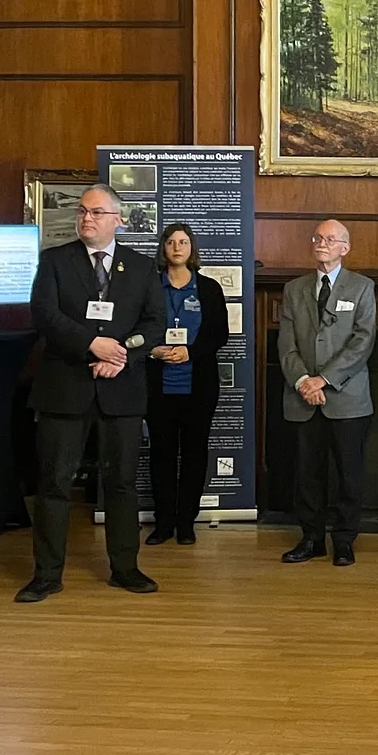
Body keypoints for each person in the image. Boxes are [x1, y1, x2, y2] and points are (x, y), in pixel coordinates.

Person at [16, 183, 165, 603]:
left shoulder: (140, 267)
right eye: (83, 211)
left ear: (118, 220)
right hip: (65, 389)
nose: (87, 218)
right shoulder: (55, 262)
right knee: (55, 483)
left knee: (121, 484)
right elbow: (44, 315)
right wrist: (90, 345)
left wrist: (119, 354)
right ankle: (46, 574)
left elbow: (154, 323)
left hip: (122, 391)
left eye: (97, 213)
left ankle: (126, 568)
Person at [278, 220, 377, 566]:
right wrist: (304, 380)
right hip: (302, 397)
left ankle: (345, 540)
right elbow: (286, 346)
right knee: (307, 473)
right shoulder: (294, 289)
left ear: (344, 249)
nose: (322, 243)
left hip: (347, 398)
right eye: (318, 238)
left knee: (349, 474)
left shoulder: (362, 287)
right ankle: (311, 538)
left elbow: (362, 342)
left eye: (330, 239)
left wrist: (324, 379)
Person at [144, 223, 228, 546]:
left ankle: (186, 523)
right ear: (163, 249)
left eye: (183, 242)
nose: (177, 248)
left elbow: (219, 333)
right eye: (171, 242)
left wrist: (189, 351)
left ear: (192, 248)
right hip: (159, 384)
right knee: (162, 454)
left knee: (194, 453)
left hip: (198, 385)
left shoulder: (209, 289)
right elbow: (138, 326)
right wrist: (154, 349)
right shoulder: (150, 287)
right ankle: (163, 523)